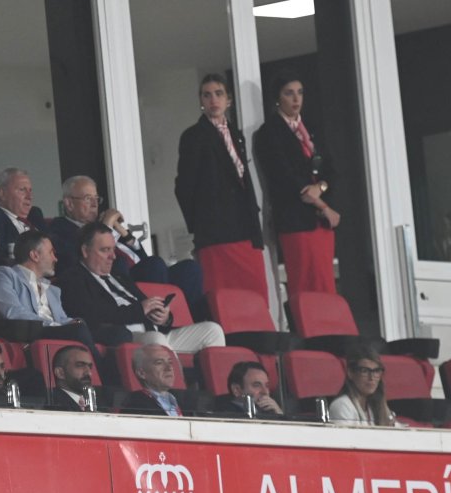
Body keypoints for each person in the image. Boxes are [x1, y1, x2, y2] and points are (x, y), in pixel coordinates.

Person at [50, 176, 207, 318]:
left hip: (145, 270)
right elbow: (77, 259)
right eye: (87, 198)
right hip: (121, 279)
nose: (94, 204)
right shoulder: (59, 228)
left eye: (96, 198)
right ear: (69, 203)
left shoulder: (103, 225)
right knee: (154, 264)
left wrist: (121, 230)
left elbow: (142, 257)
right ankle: (156, 321)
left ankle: (193, 321)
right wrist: (107, 226)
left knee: (190, 268)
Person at [60, 223, 224, 355]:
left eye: (113, 249)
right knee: (156, 340)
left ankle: (222, 387)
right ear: (85, 251)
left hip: (157, 335)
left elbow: (145, 308)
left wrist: (163, 317)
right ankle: (174, 387)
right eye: (105, 250)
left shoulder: (120, 277)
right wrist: (140, 310)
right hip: (127, 339)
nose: (113, 256)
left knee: (212, 330)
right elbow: (93, 314)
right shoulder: (74, 278)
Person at [174, 73, 268, 299]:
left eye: (218, 94)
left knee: (255, 294)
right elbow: (184, 186)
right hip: (215, 231)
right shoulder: (193, 136)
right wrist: (200, 224)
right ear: (201, 101)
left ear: (229, 100)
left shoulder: (236, 134)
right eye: (207, 95)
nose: (213, 100)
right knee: (225, 297)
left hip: (245, 227)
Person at [254, 71, 341, 295]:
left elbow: (331, 169)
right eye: (289, 93)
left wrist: (320, 188)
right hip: (296, 219)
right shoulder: (269, 132)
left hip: (321, 221)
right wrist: (323, 205)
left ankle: (329, 319)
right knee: (305, 282)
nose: (296, 99)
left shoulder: (312, 128)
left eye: (300, 93)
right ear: (278, 98)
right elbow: (285, 177)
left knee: (325, 281)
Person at [0, 230, 127, 351]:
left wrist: (75, 322)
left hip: (58, 332)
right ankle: (98, 370)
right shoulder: (4, 275)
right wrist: (55, 325)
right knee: (78, 331)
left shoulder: (52, 290)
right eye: (51, 252)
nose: (55, 259)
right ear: (35, 255)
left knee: (119, 333)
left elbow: (62, 319)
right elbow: (13, 313)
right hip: (30, 334)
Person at [0, 167, 47, 266]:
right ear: (2, 193)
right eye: (22, 190)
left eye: (30, 191)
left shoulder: (35, 214)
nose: (29, 197)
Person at [328, 345, 396, 427]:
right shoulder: (342, 405)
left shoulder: (373, 406)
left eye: (376, 371)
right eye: (364, 371)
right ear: (350, 373)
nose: (371, 378)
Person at [122, 344, 191, 417]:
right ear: (141, 373)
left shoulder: (183, 399)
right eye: (159, 363)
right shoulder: (135, 406)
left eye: (170, 362)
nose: (169, 368)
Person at [215, 361, 284, 417]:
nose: (265, 392)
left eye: (267, 385)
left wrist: (279, 414)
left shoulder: (270, 410)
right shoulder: (223, 413)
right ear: (237, 390)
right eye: (257, 385)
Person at [49, 344, 96, 412]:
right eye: (80, 365)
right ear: (60, 373)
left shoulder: (99, 402)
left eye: (90, 367)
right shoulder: (52, 403)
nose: (89, 373)